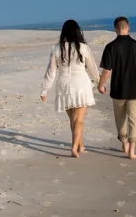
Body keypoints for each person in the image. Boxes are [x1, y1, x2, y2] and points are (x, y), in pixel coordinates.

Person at [40, 19, 101, 158]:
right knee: (79, 120)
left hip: (63, 85)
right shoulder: (83, 47)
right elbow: (92, 68)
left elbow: (51, 71)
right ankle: (74, 147)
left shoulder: (56, 48)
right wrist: (99, 82)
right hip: (80, 84)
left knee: (73, 120)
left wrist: (45, 89)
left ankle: (80, 146)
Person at [97, 16, 136, 159]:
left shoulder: (110, 47)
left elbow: (107, 70)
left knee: (120, 118)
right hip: (135, 88)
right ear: (128, 27)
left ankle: (124, 141)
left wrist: (100, 85)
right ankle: (132, 151)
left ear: (115, 29)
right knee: (134, 119)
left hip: (118, 89)